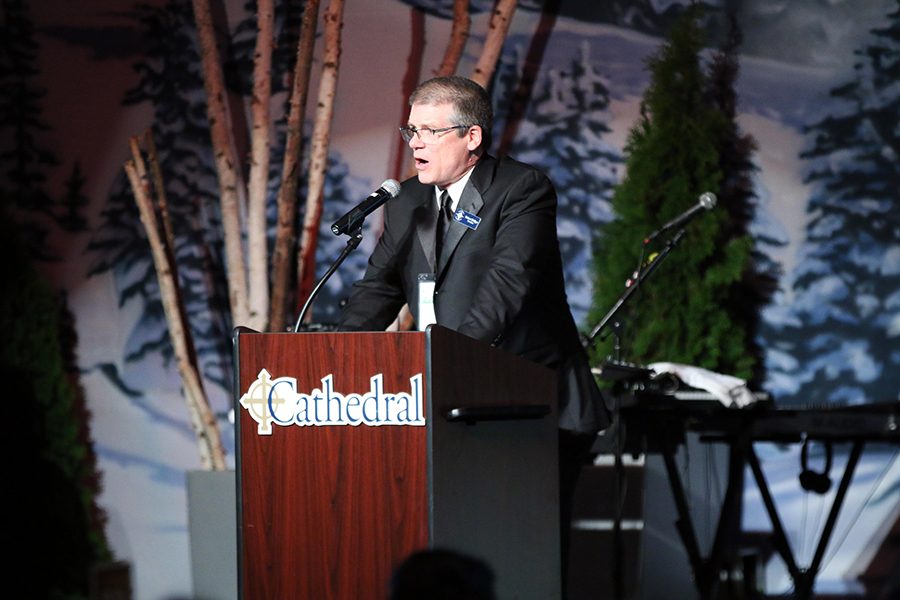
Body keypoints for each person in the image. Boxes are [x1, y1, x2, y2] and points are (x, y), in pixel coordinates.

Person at [339, 75, 610, 591]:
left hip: (530, 405)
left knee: (523, 555)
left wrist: (446, 361)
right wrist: (336, 357)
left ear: (472, 137)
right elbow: (378, 289)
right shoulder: (405, 203)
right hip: (446, 403)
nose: (415, 142)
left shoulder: (521, 189)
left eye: (429, 131)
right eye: (410, 130)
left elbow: (508, 285)